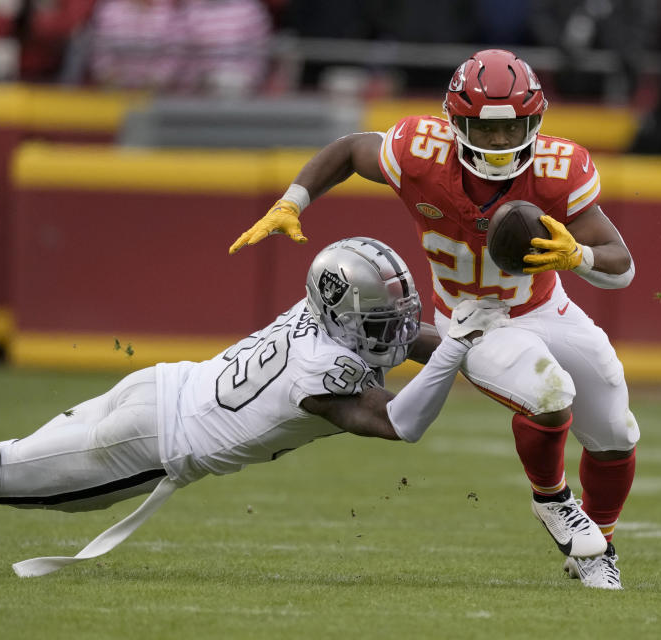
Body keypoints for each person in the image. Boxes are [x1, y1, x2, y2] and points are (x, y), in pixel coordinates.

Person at [0, 237, 509, 575]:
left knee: (23, 454)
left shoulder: (319, 312)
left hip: (160, 387)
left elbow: (405, 335)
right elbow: (403, 422)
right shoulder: (324, 370)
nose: (394, 325)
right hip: (151, 442)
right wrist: (459, 346)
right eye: (381, 312)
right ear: (344, 309)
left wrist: (474, 341)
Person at [229, 49, 638, 590]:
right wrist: (293, 200)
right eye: (484, 130)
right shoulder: (421, 152)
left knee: (616, 429)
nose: (499, 143)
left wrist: (577, 257)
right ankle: (552, 501)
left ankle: (598, 545)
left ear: (535, 120)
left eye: (513, 127)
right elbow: (353, 149)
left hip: (545, 306)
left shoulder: (559, 170)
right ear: (455, 123)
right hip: (473, 318)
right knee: (549, 391)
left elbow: (623, 266)